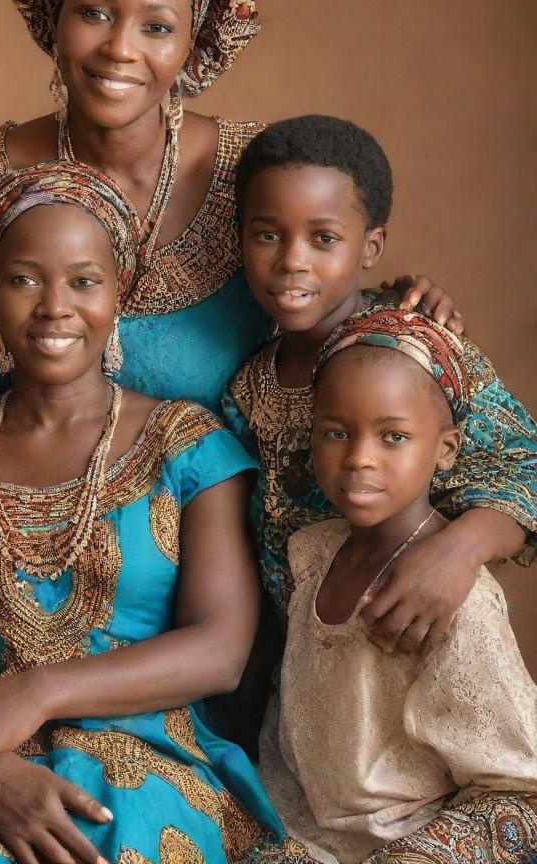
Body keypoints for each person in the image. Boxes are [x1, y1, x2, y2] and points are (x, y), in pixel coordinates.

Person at [0, 163, 311, 864]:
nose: (54, 306)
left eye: (84, 280)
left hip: (152, 756)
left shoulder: (187, 446)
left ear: (119, 293)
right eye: (23, 279)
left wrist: (37, 693)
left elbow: (221, 650)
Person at [0, 0, 445, 409]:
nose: (120, 48)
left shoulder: (259, 178)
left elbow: (336, 314)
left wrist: (401, 313)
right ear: (54, 16)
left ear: (193, 45)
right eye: (94, 13)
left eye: (158, 26)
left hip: (231, 494)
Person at [223, 116, 536, 648]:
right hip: (299, 668)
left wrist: (458, 551)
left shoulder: (416, 352)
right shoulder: (248, 387)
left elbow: (526, 463)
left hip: (404, 645)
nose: (292, 260)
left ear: (370, 248)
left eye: (324, 238)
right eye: (269, 235)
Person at [259, 308, 537, 864]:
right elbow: (294, 738)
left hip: (413, 843)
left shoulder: (462, 602)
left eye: (394, 436)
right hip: (308, 839)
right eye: (337, 432)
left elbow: (520, 790)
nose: (360, 458)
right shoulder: (310, 552)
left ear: (446, 449)